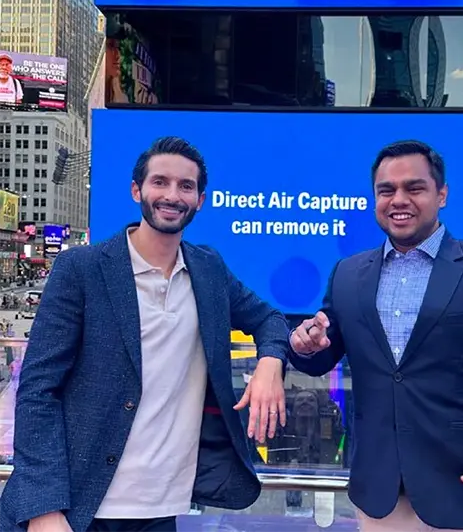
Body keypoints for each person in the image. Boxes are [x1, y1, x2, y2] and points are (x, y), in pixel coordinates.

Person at [0, 136, 290, 532]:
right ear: (137, 189)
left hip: (161, 507)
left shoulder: (209, 269)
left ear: (200, 199)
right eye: (160, 182)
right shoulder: (81, 269)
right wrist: (45, 509)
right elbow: (37, 391)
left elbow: (270, 318)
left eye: (186, 186)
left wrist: (270, 362)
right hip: (79, 506)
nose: (172, 195)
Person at [290, 140, 463, 532]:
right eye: (386, 190)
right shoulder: (348, 274)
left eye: (414, 188)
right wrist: (303, 345)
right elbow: (320, 354)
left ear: (442, 194)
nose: (398, 199)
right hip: (382, 502)